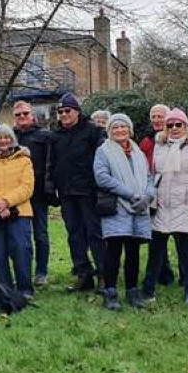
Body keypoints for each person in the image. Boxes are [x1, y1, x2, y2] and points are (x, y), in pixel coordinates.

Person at [145, 108, 188, 306]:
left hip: (186, 206)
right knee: (156, 250)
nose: (174, 128)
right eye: (170, 125)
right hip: (162, 206)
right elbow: (154, 173)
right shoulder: (160, 146)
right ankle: (148, 288)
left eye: (178, 124)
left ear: (186, 126)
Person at [45, 92, 106, 292]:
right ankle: (83, 274)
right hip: (66, 193)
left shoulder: (93, 131)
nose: (64, 114)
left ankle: (104, 275)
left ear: (77, 112)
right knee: (74, 235)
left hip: (88, 191)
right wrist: (50, 186)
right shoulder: (55, 136)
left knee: (95, 234)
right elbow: (51, 164)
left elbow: (102, 161)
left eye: (67, 110)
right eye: (60, 111)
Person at [93, 113, 154, 311]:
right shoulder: (103, 151)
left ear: (130, 129)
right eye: (115, 128)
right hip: (117, 206)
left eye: (123, 127)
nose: (120, 130)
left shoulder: (138, 152)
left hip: (139, 208)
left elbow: (150, 177)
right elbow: (102, 178)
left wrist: (147, 196)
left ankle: (132, 291)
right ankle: (110, 293)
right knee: (113, 250)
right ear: (109, 131)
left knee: (133, 251)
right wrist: (131, 195)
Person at [0, 124, 36, 299]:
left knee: (21, 250)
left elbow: (27, 186)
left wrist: (6, 202)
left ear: (12, 140)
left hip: (19, 212)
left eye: (7, 137)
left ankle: (25, 290)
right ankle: (4, 290)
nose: (3, 141)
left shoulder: (24, 160)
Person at [12, 100, 52, 287]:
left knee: (40, 234)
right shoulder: (9, 137)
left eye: (25, 114)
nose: (22, 117)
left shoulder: (44, 136)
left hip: (38, 194)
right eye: (18, 115)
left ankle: (41, 272)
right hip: (16, 195)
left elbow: (51, 163)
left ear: (32, 115)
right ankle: (23, 270)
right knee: (21, 236)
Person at [140, 103, 177, 287]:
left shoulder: (176, 139)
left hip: (174, 194)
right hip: (154, 193)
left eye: (160, 116)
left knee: (180, 237)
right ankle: (163, 273)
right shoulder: (147, 141)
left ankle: (183, 276)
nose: (156, 119)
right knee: (157, 235)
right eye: (153, 116)